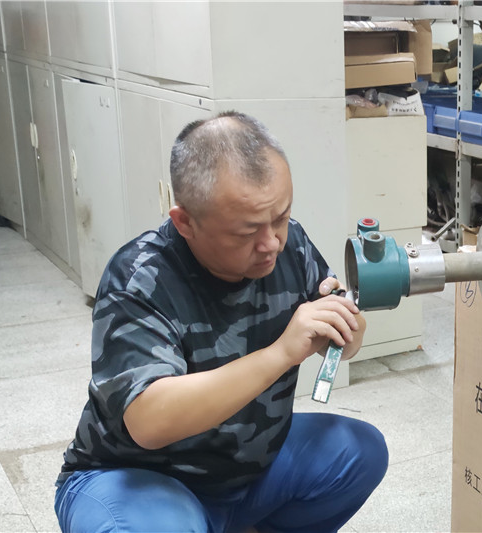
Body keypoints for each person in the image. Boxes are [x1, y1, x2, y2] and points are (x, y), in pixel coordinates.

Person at [54, 112, 388, 532]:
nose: (271, 243)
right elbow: (149, 421)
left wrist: (345, 328)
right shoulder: (140, 277)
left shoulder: (291, 246)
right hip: (140, 477)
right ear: (185, 222)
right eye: (245, 233)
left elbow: (342, 337)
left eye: (281, 217)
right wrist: (282, 353)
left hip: (244, 471)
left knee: (359, 451)